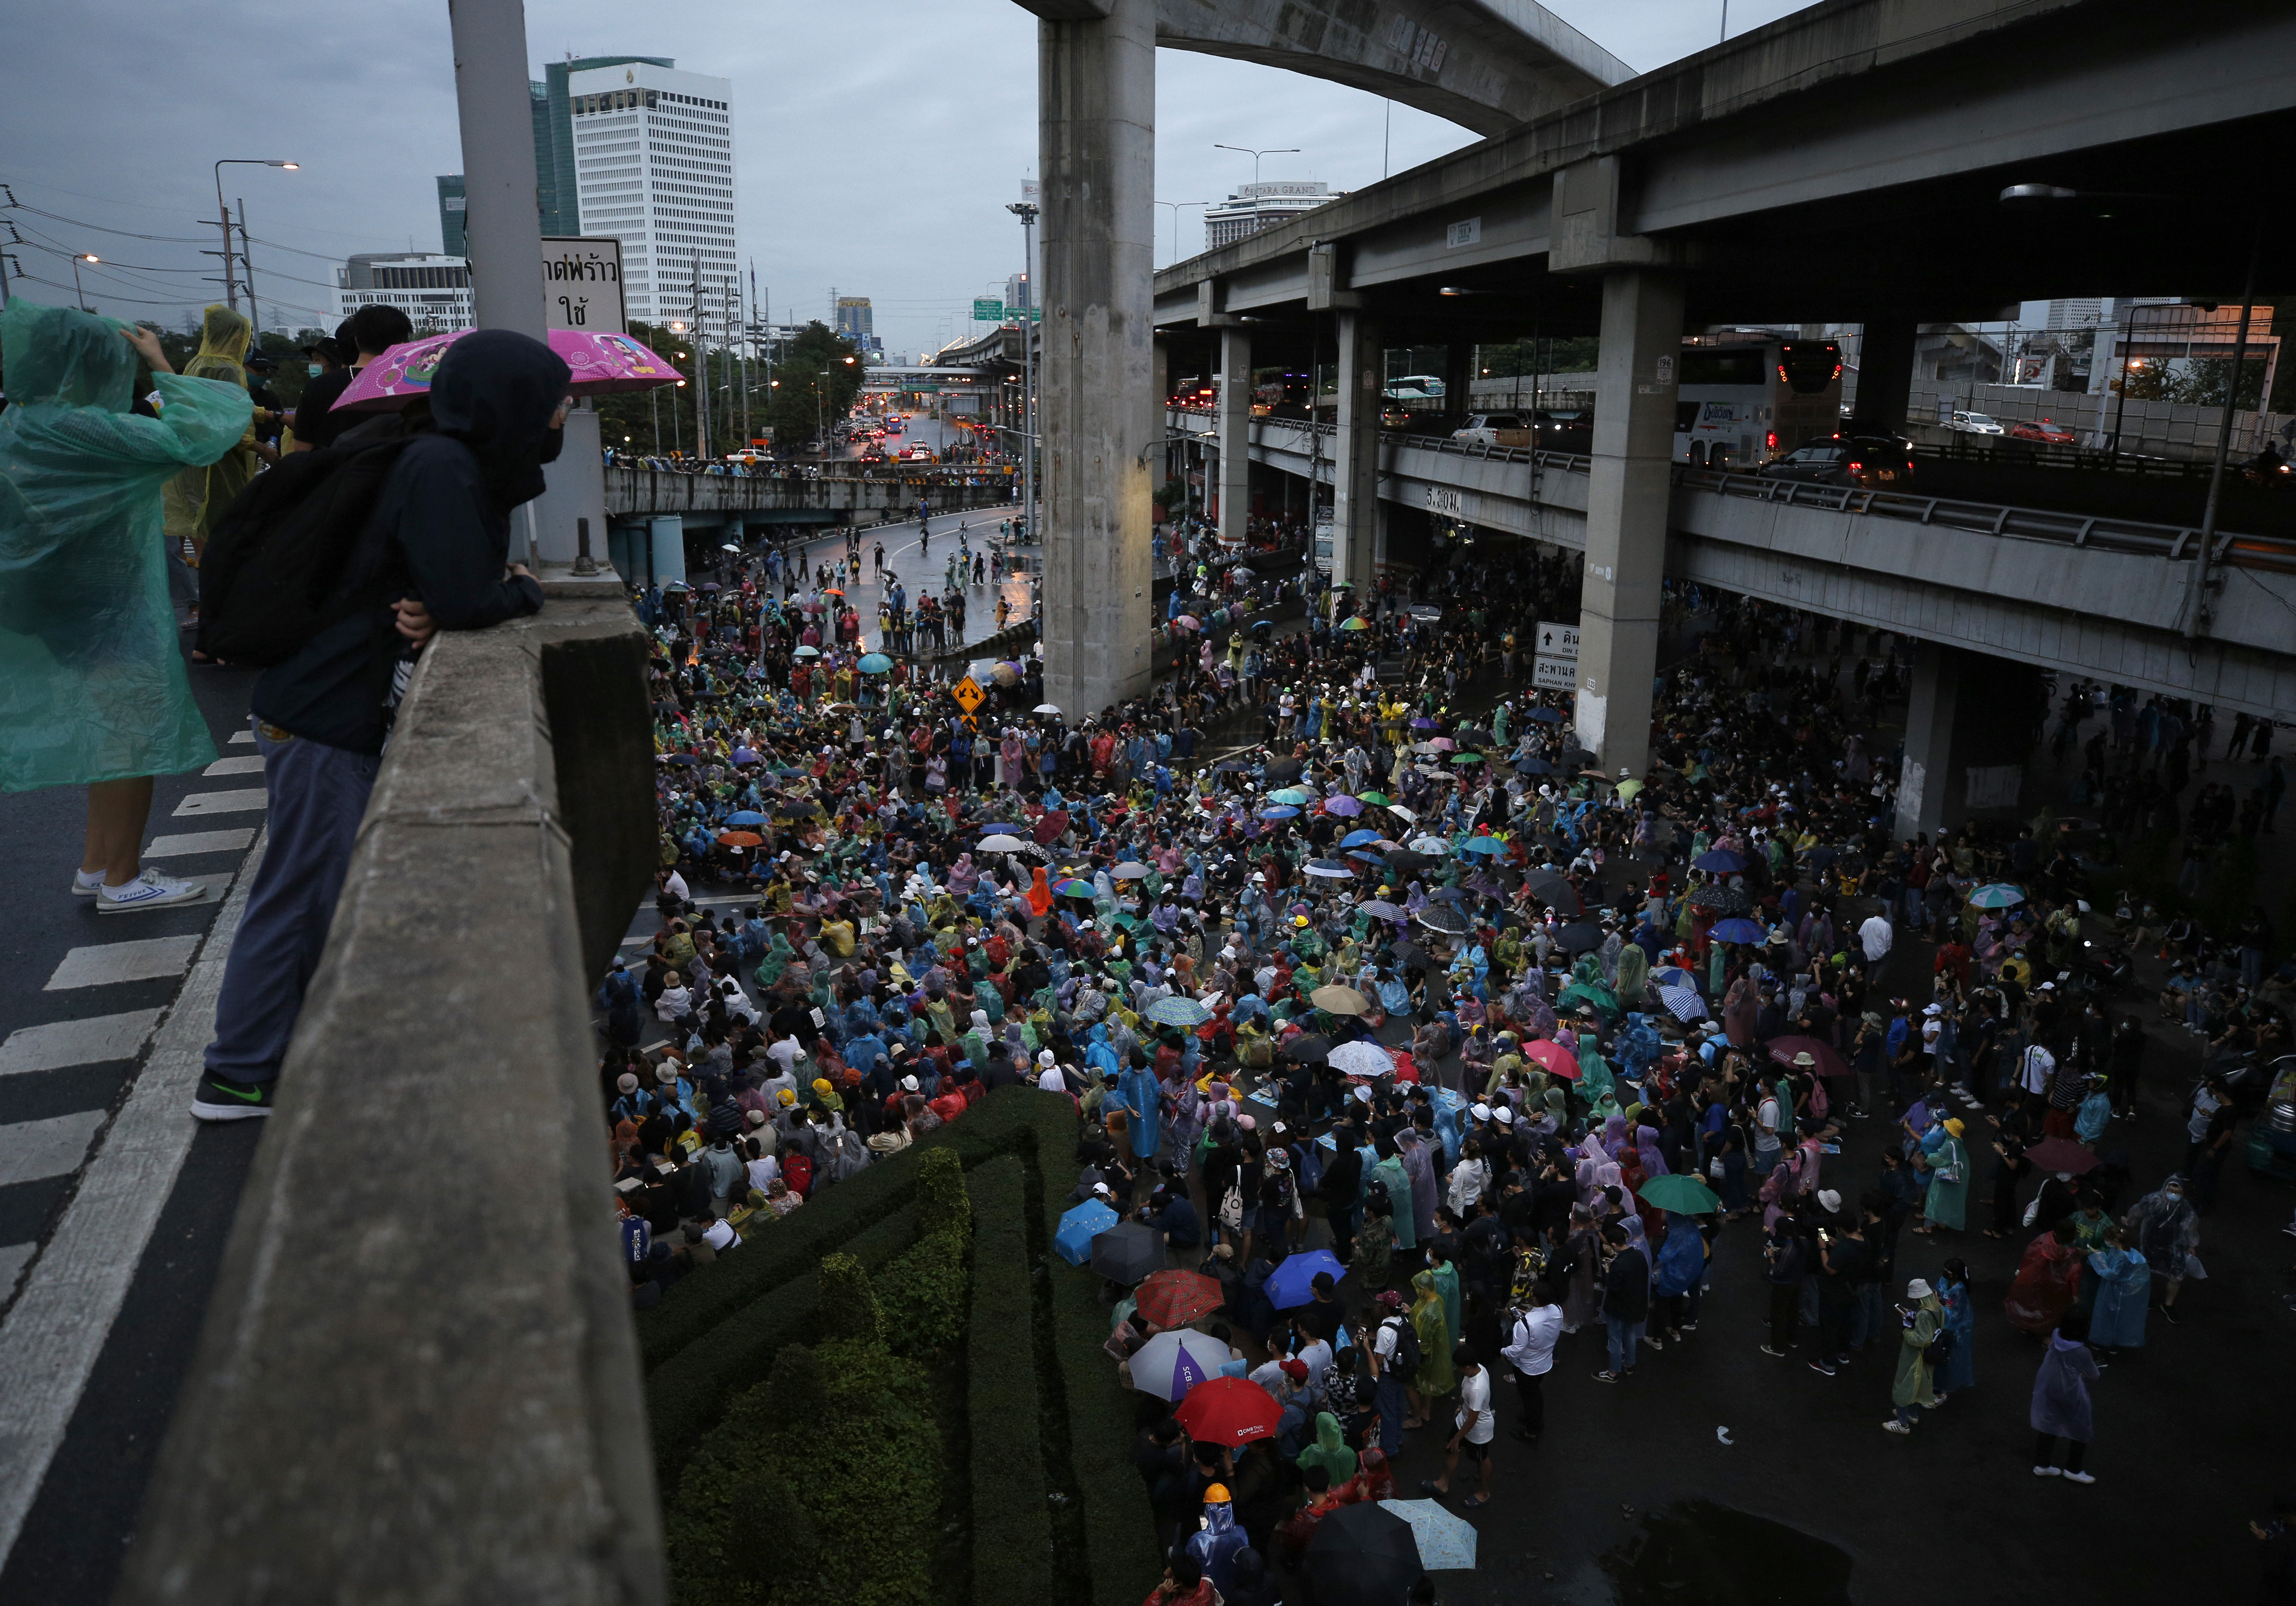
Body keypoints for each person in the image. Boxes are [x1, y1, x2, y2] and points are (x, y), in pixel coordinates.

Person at [193, 330, 566, 1120]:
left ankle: (285, 1048)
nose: (561, 416)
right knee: (297, 898)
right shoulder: (442, 470)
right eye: (553, 403)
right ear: (512, 406)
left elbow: (438, 587)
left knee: (323, 896)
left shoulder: (444, 461)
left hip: (334, 708)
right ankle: (238, 1071)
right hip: (326, 715)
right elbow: (463, 602)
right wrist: (524, 590)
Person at [0, 303, 253, 909]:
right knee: (132, 735)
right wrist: (162, 366)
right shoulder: (80, 426)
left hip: (59, 602)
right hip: (102, 606)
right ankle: (123, 878)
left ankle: (96, 864)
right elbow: (198, 437)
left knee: (109, 733)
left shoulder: (22, 418)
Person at [292, 305, 412, 453]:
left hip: (331, 474)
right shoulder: (409, 388)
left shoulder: (316, 387)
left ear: (357, 341)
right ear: (402, 345)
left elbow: (302, 453)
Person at [2031, 1309, 2101, 1482]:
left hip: (2050, 1388)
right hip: (2071, 1393)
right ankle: (2073, 1469)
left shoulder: (2056, 1335)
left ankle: (2042, 1465)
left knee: (2049, 1425)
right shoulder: (2082, 1352)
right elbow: (2094, 1375)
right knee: (2081, 1429)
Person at [1421, 1343, 1494, 1508]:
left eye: (1461, 1368)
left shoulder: (1477, 1389)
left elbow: (1473, 1419)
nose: (1460, 1372)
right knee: (1451, 1450)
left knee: (1482, 1460)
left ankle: (1484, 1493)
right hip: (1464, 1420)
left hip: (1478, 1430)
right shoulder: (1478, 1369)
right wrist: (1462, 1406)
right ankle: (1443, 1483)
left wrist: (1457, 1438)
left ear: (1468, 1368)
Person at [1500, 1284, 1562, 1444]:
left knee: (1530, 1398)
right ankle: (1532, 1420)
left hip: (1527, 1368)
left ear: (1535, 1299)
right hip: (1545, 1363)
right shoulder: (1557, 1311)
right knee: (1534, 1394)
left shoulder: (1525, 1325)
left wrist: (1502, 1351)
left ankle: (1532, 1432)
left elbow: (1516, 1350)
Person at [1884, 1276, 1940, 1435]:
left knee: (1903, 1388)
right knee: (1919, 1388)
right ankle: (1913, 1415)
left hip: (1916, 1357)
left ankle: (1903, 1424)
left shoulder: (1923, 1314)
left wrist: (1907, 1330)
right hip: (1929, 1357)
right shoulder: (1937, 1308)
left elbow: (1919, 1339)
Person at [1596, 1220, 1649, 1383]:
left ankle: (1613, 1372)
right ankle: (1629, 1364)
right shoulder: (1639, 1255)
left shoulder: (1619, 1265)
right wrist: (1615, 1259)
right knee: (1630, 1335)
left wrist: (1607, 1271)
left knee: (1615, 1339)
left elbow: (1613, 1287)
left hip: (1619, 1307)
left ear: (1613, 1244)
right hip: (1635, 1305)